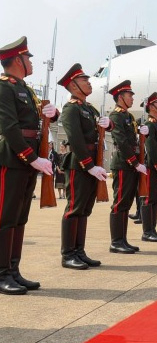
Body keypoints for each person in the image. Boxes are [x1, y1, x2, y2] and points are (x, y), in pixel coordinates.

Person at [0, 36, 58, 294]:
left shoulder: (25, 88)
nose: (31, 61)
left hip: (26, 160)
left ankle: (13, 270)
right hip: (12, 159)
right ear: (17, 60)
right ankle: (2, 274)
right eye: (28, 57)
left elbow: (35, 122)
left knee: (20, 217)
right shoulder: (4, 87)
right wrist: (31, 157)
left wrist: (52, 114)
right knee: (5, 217)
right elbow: (9, 128)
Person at [58, 63, 112, 269]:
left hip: (91, 163)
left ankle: (79, 251)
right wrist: (88, 165)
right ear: (73, 85)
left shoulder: (89, 108)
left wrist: (110, 124)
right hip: (79, 164)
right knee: (74, 209)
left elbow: (100, 128)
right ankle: (68, 254)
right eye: (84, 80)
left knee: (84, 210)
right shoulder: (71, 108)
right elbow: (75, 139)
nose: (89, 83)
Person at [108, 80, 148, 254]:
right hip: (123, 163)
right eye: (129, 95)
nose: (132, 98)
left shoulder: (128, 116)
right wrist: (135, 162)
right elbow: (122, 142)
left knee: (127, 203)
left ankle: (122, 239)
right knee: (120, 203)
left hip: (130, 163)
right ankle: (116, 242)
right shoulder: (116, 116)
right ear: (120, 97)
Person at [140, 93, 157, 242]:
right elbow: (150, 147)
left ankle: (153, 230)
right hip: (152, 165)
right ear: (151, 107)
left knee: (156, 198)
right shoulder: (149, 124)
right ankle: (147, 231)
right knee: (149, 198)